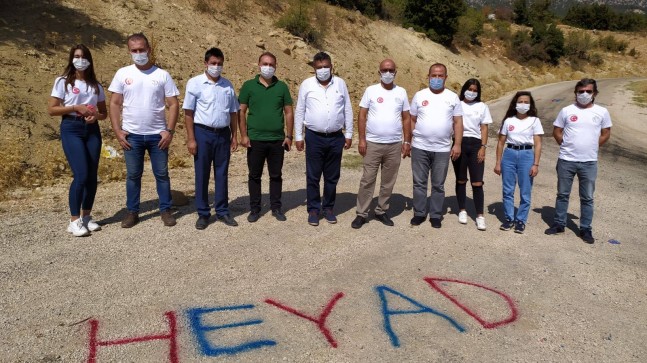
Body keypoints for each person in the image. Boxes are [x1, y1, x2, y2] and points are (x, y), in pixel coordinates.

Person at [108, 33, 180, 228]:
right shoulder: (123, 73)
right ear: (129, 51)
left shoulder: (162, 75)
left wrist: (169, 131)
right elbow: (114, 103)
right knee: (133, 175)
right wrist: (117, 130)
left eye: (142, 49)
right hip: (132, 135)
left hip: (158, 136)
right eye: (134, 50)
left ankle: (166, 210)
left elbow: (174, 104)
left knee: (162, 174)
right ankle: (132, 212)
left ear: (149, 50)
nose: (138, 53)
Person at [47, 44, 107, 237]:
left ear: (89, 60)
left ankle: (86, 217)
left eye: (83, 57)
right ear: (72, 59)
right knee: (80, 174)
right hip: (71, 128)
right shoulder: (63, 81)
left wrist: (94, 116)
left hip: (91, 130)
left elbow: (103, 113)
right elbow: (52, 109)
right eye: (76, 56)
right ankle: (74, 220)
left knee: (91, 175)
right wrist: (76, 107)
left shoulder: (96, 85)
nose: (80, 60)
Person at [545, 79, 612, 244]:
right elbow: (557, 131)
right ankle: (559, 224)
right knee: (562, 194)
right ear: (575, 92)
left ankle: (585, 228)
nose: (584, 94)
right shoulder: (566, 110)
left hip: (589, 162)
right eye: (581, 91)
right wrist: (566, 145)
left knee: (587, 197)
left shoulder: (601, 112)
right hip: (566, 160)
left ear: (594, 93)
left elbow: (605, 133)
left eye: (588, 91)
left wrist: (593, 147)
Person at [183, 47, 239, 230]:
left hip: (223, 134)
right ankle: (203, 213)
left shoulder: (227, 85)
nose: (216, 67)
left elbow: (233, 112)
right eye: (213, 63)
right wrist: (191, 139)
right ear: (205, 63)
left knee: (222, 173)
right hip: (202, 133)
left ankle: (222, 211)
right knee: (202, 174)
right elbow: (188, 113)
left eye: (219, 64)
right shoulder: (195, 83)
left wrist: (234, 136)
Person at [294, 52, 353, 226]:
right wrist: (299, 136)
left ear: (332, 66)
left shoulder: (340, 84)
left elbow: (347, 109)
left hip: (336, 137)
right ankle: (313, 209)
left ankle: (328, 207)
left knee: (332, 176)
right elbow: (300, 110)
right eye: (319, 67)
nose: (323, 70)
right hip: (314, 137)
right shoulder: (307, 85)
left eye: (326, 66)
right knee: (313, 175)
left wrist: (348, 134)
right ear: (314, 68)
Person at [351, 58, 411, 229]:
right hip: (372, 144)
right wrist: (362, 139)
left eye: (391, 70)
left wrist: (407, 141)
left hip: (394, 145)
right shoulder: (371, 91)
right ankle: (361, 213)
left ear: (395, 73)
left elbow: (406, 118)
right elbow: (362, 115)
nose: (387, 73)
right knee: (367, 180)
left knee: (388, 181)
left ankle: (381, 210)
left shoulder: (401, 92)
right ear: (379, 72)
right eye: (384, 70)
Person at [238, 52, 294, 223]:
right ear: (258, 64)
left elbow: (289, 112)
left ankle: (276, 207)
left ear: (276, 66)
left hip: (277, 140)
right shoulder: (248, 86)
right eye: (265, 63)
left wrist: (289, 136)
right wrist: (244, 135)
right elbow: (241, 111)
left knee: (276, 175)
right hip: (255, 139)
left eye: (271, 64)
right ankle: (255, 209)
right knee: (254, 175)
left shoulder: (282, 87)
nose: (268, 67)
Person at [409, 63, 463, 229]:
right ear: (428, 76)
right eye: (434, 75)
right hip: (420, 147)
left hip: (442, 148)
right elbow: (411, 119)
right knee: (419, 183)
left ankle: (435, 215)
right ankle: (419, 213)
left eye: (440, 76)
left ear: (446, 77)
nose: (437, 79)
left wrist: (457, 144)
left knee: (438, 184)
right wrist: (413, 138)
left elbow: (458, 122)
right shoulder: (419, 95)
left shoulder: (452, 97)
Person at [493, 91, 543, 234]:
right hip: (509, 154)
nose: (523, 104)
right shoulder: (508, 121)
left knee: (525, 190)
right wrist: (498, 162)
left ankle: (521, 220)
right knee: (508, 189)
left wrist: (536, 164)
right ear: (515, 104)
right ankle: (509, 218)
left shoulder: (534, 121)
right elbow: (501, 143)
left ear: (530, 104)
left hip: (527, 154)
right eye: (520, 101)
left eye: (526, 102)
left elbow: (538, 144)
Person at [452, 79, 492, 231]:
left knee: (477, 182)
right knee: (461, 179)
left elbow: (484, 128)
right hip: (459, 143)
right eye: (470, 89)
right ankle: (462, 210)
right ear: (464, 89)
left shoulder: (482, 106)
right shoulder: (457, 104)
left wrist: (483, 147)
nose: (472, 92)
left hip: (475, 145)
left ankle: (480, 216)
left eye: (475, 90)